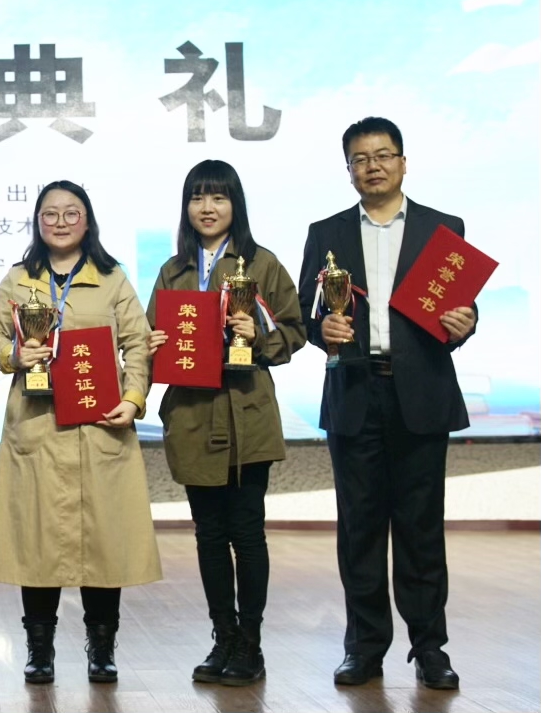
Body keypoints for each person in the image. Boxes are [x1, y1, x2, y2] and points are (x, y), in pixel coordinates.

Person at [298, 117, 474, 691]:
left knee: (421, 528)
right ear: (348, 169)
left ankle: (430, 648)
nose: (372, 166)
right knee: (360, 528)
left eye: (383, 155)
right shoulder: (326, 233)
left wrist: (466, 321)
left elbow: (458, 308)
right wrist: (323, 329)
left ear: (403, 162)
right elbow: (306, 313)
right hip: (355, 391)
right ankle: (364, 647)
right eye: (360, 159)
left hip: (419, 392)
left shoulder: (442, 229)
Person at [0, 180, 161, 685]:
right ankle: (39, 651)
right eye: (50, 214)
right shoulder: (20, 278)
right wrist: (15, 355)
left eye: (71, 213)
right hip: (36, 426)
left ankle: (101, 649)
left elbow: (137, 343)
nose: (60, 222)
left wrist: (133, 398)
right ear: (37, 222)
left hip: (100, 428)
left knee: (103, 542)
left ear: (88, 221)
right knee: (37, 542)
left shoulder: (111, 278)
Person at [146, 161, 306, 686]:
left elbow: (295, 330)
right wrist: (153, 343)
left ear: (235, 204)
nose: (207, 208)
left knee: (247, 533)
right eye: (197, 198)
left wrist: (258, 334)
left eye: (218, 197)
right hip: (193, 416)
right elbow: (151, 333)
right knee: (209, 535)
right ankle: (224, 638)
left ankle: (250, 644)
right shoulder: (173, 269)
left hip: (246, 415)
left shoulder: (261, 263)